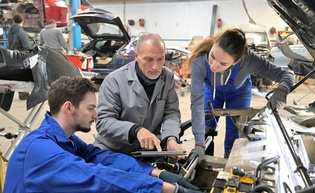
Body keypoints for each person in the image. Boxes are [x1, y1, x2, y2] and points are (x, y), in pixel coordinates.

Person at [3, 76, 202, 193]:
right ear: (69, 107)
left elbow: (100, 157)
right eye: (90, 108)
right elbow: (95, 176)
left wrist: (159, 174)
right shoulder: (41, 149)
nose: (96, 115)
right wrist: (167, 189)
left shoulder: (65, 140)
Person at [187, 28, 295, 158]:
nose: (214, 66)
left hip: (239, 92)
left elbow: (286, 74)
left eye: (223, 63)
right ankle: (204, 160)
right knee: (206, 128)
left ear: (237, 61)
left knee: (236, 133)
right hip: (212, 91)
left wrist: (281, 92)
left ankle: (230, 162)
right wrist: (199, 144)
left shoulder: (249, 60)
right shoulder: (199, 63)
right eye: (212, 57)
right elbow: (196, 105)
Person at [94, 33, 185, 159]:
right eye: (149, 59)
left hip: (146, 151)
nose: (156, 66)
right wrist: (135, 130)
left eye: (160, 59)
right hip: (113, 150)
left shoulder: (168, 77)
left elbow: (171, 113)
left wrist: (170, 139)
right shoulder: (114, 80)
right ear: (136, 56)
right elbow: (103, 122)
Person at [7, 14, 31, 100]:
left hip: (12, 54)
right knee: (23, 74)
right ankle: (23, 93)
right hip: (21, 55)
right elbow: (26, 45)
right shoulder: (21, 32)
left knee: (16, 74)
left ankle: (21, 93)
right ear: (22, 21)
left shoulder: (9, 32)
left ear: (13, 21)